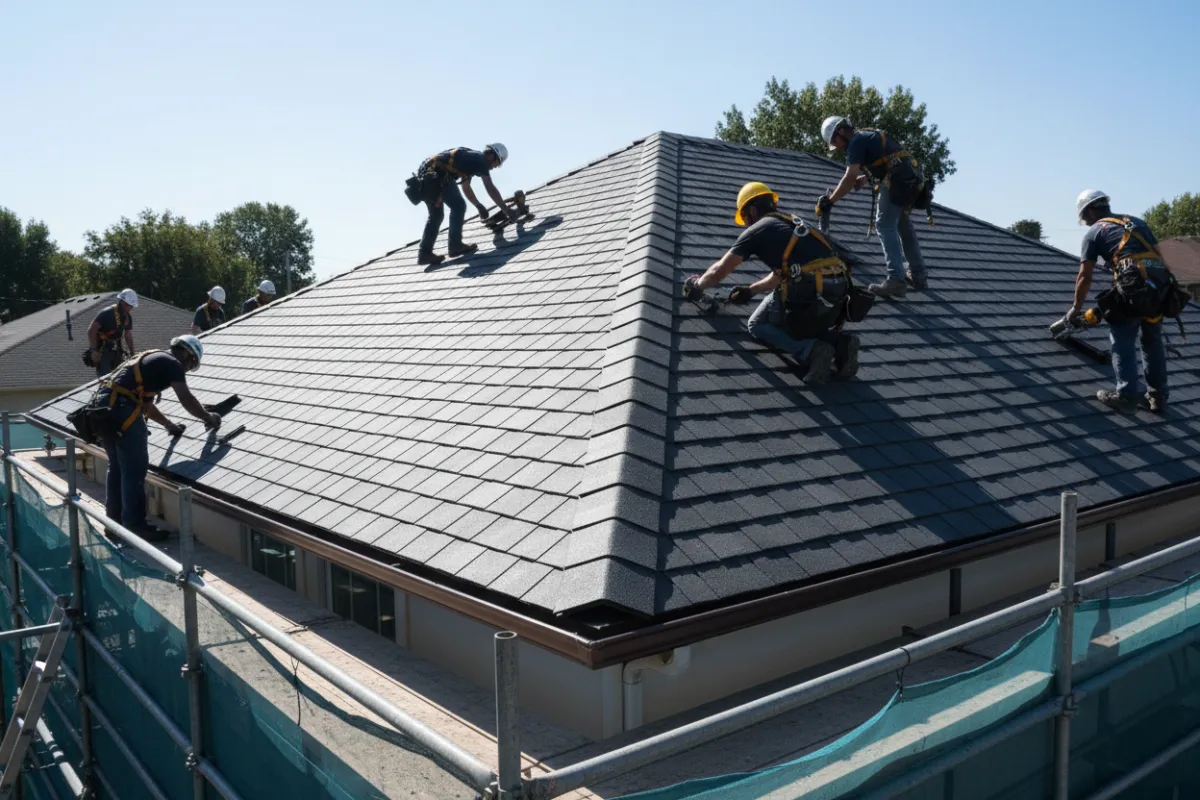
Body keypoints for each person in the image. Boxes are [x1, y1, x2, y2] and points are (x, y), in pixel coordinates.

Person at [683, 182, 860, 384]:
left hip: (811, 289)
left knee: (757, 324)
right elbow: (782, 274)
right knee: (802, 317)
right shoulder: (791, 224)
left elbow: (719, 270)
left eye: (746, 218)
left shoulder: (758, 230)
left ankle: (812, 351)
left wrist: (697, 286)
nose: (747, 224)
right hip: (836, 289)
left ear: (752, 210)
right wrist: (751, 291)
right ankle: (841, 344)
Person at [97, 335, 221, 539]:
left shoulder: (152, 360)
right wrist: (208, 417)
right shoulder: (172, 363)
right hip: (122, 411)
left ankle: (114, 524)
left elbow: (146, 405)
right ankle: (135, 526)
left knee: (118, 467)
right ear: (187, 354)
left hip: (105, 411)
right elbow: (187, 398)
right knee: (134, 469)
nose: (188, 369)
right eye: (192, 364)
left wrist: (168, 425)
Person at [1072, 190, 1170, 413]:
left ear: (1091, 210)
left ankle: (1126, 395)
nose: (1086, 224)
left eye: (1085, 219)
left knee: (1121, 335)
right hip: (1158, 287)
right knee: (1152, 341)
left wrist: (1075, 309)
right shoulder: (1136, 222)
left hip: (1133, 286)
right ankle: (1158, 397)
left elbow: (1084, 277)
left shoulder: (1094, 233)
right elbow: (1160, 256)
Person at [818, 116, 928, 299]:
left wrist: (830, 201)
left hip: (898, 180)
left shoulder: (856, 142)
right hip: (910, 178)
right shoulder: (866, 136)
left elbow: (849, 176)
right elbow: (886, 160)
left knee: (884, 225)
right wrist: (866, 179)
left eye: (834, 140)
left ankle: (896, 280)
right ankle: (919, 275)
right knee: (903, 225)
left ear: (841, 131)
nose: (836, 145)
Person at [415, 143, 515, 266]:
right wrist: (506, 210)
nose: (494, 167)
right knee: (458, 206)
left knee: (436, 215)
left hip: (426, 175)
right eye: (497, 163)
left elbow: (466, 187)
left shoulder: (470, 160)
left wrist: (478, 205)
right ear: (490, 155)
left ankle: (424, 254)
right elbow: (490, 187)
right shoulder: (480, 161)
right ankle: (455, 246)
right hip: (435, 176)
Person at [86, 288, 137, 376]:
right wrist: (93, 350)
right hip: (103, 350)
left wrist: (133, 354)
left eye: (131, 306)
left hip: (117, 350)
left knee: (121, 376)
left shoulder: (127, 317)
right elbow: (91, 330)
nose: (130, 308)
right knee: (106, 379)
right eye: (128, 305)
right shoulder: (107, 313)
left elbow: (128, 335)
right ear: (121, 302)